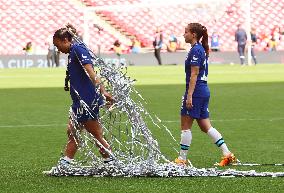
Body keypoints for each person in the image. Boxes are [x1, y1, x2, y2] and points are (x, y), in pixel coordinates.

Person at [174, 23, 236, 167]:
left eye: (186, 32)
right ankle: (227, 154)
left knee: (185, 126)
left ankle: (181, 160)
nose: (184, 35)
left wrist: (189, 96)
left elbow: (194, 74)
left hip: (196, 92)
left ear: (193, 34)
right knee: (205, 126)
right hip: (203, 91)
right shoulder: (199, 49)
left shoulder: (196, 50)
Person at [53, 24, 114, 165]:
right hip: (78, 101)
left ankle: (110, 160)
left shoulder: (78, 50)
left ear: (65, 40)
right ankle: (66, 162)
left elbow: (90, 71)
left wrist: (103, 91)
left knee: (95, 133)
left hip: (87, 100)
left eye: (58, 45)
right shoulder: (73, 50)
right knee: (72, 130)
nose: (58, 49)